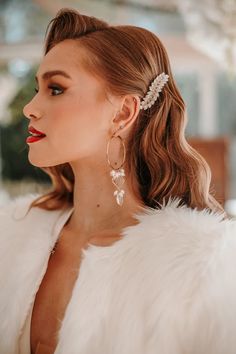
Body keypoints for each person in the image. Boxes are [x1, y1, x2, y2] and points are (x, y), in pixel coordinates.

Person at [0, 7, 236, 354]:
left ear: (123, 112)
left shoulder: (201, 265)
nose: (30, 108)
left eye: (55, 88)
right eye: (37, 88)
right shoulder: (10, 235)